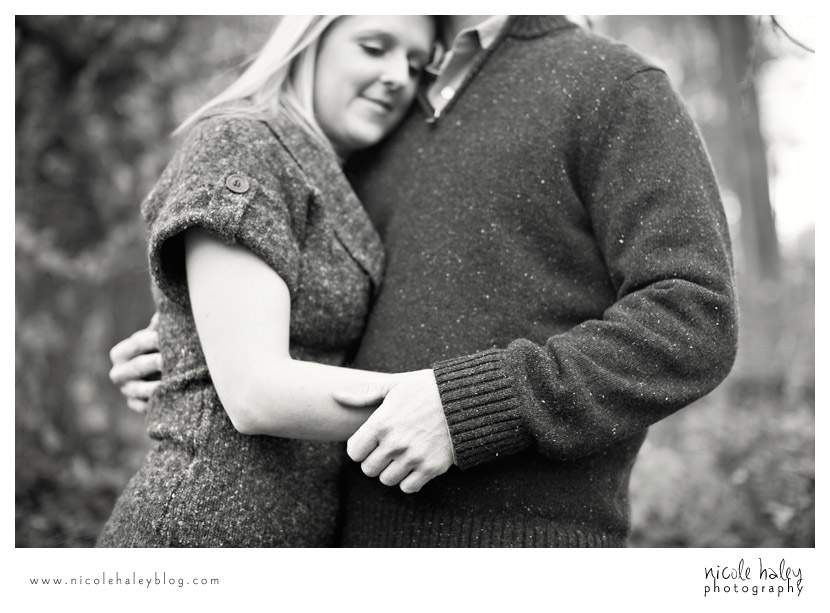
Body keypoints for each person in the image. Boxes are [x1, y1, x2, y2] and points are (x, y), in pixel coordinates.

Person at [111, 15, 739, 547]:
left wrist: (471, 405)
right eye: (375, 48)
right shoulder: (377, 125)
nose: (394, 71)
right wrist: (196, 338)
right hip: (334, 546)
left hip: (523, 552)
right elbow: (301, 294)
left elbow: (694, 315)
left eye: (407, 60)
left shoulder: (613, 85)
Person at [97, 15, 439, 547]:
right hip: (202, 533)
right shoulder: (242, 143)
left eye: (418, 67)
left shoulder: (330, 171)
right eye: (375, 47)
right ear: (309, 43)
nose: (399, 75)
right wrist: (447, 406)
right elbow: (256, 393)